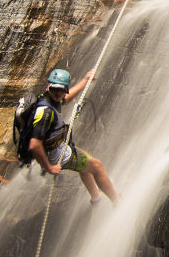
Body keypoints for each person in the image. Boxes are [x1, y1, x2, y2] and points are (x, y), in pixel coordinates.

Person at [28, 68, 120, 204]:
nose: (59, 93)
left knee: (85, 160)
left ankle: (96, 197)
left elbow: (66, 98)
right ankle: (117, 201)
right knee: (97, 166)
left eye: (62, 89)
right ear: (49, 87)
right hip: (56, 155)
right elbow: (34, 145)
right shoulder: (45, 113)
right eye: (55, 89)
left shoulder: (48, 98)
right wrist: (49, 167)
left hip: (55, 149)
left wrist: (85, 80)